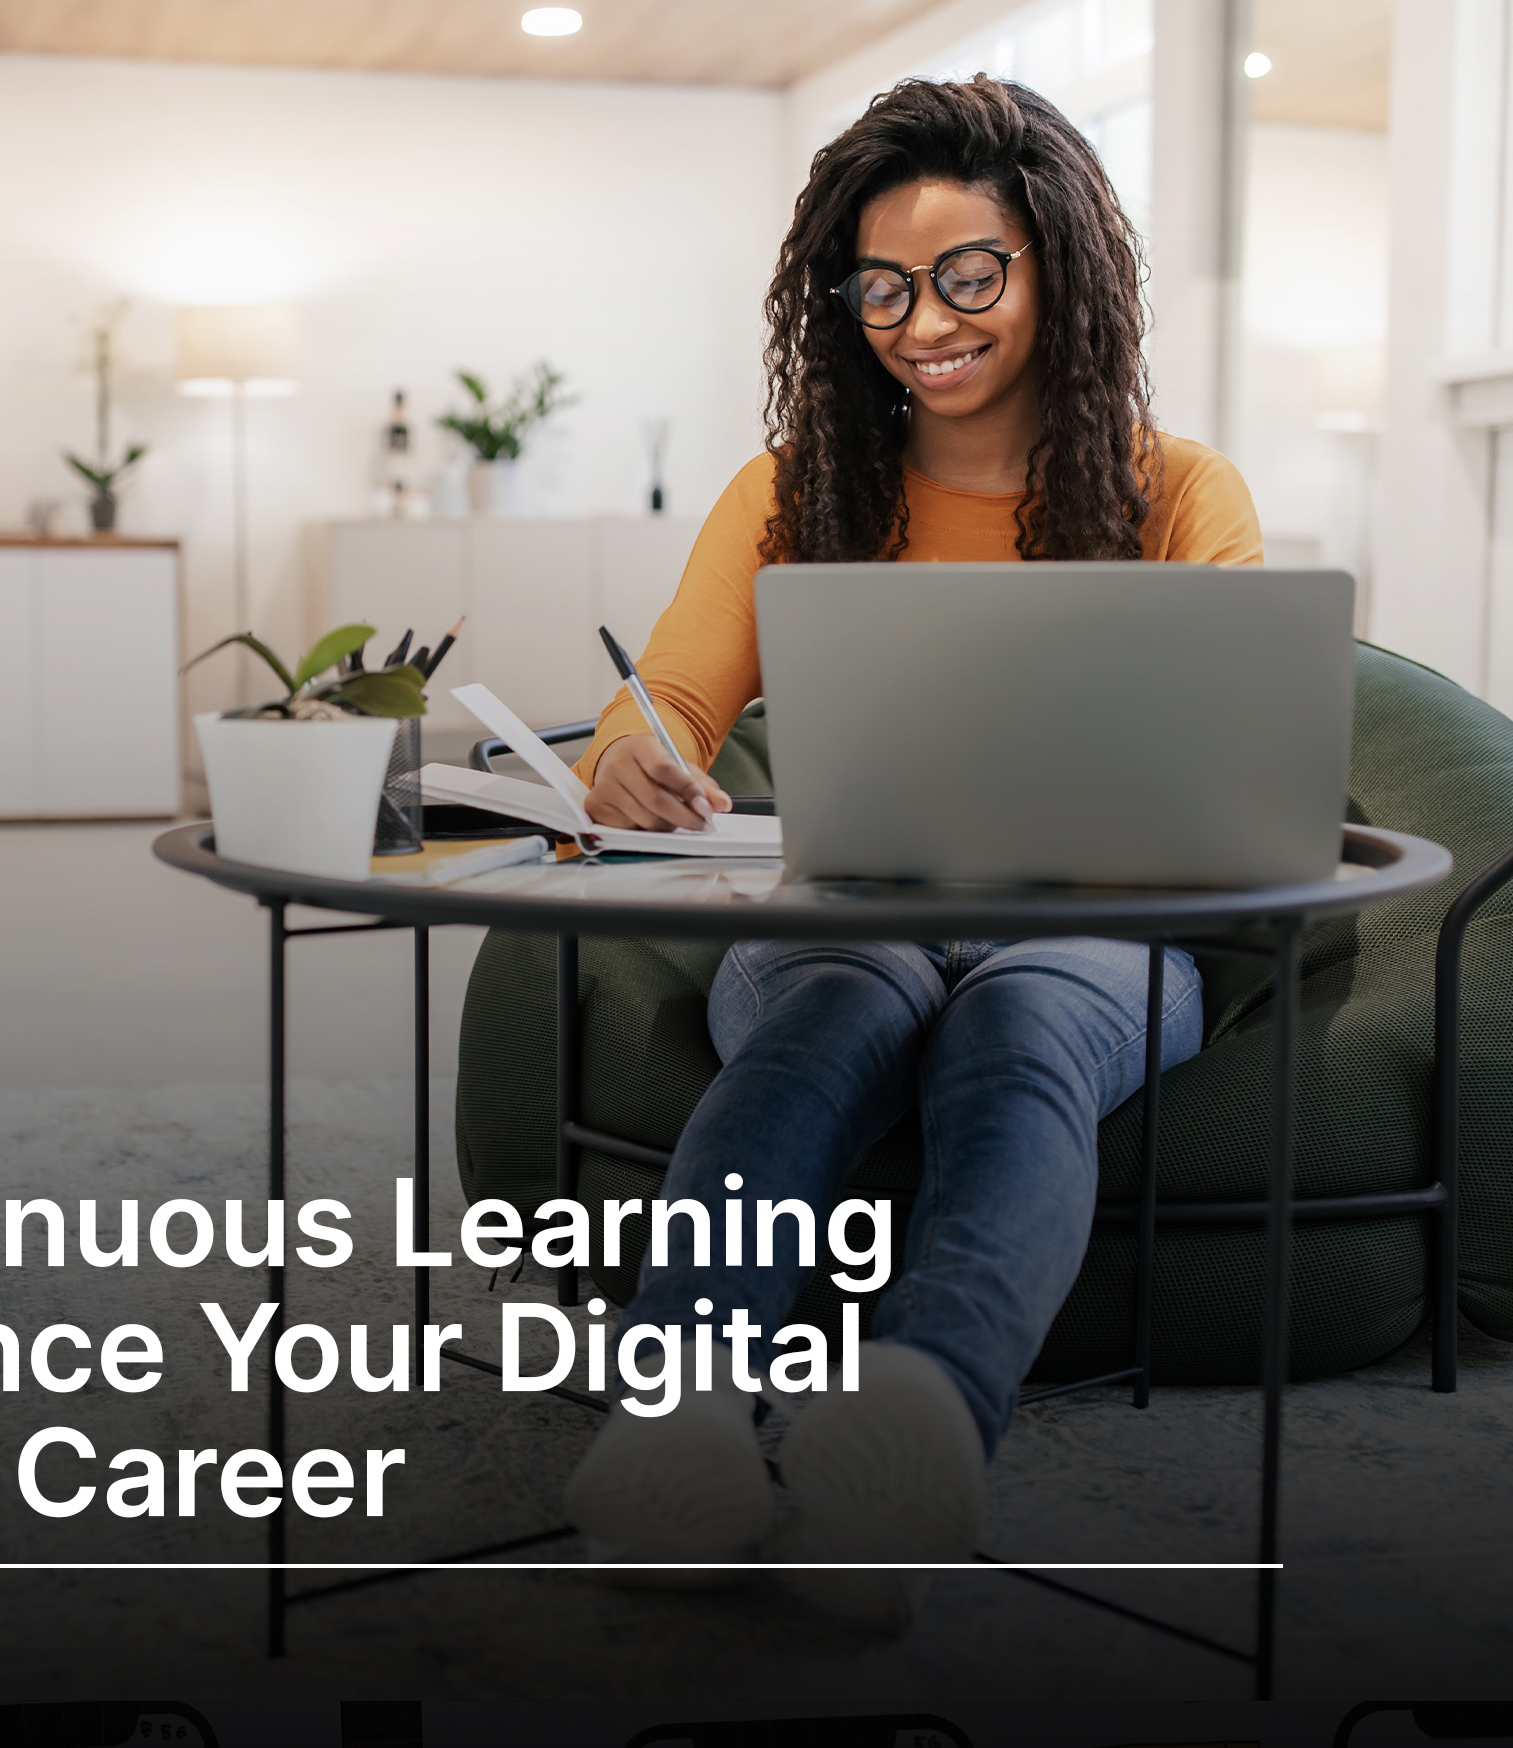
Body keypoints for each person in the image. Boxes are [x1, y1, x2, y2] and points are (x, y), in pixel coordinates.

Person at [559, 74, 1264, 1632]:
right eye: (880, 285)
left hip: (1099, 929)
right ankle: (681, 1413)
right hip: (853, 912)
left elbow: (1233, 735)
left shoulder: (1179, 491)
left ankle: (921, 1419)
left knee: (1023, 1030)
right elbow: (668, 692)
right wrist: (630, 752)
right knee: (833, 1008)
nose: (919, 319)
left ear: (1056, 272)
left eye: (966, 276)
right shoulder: (792, 491)